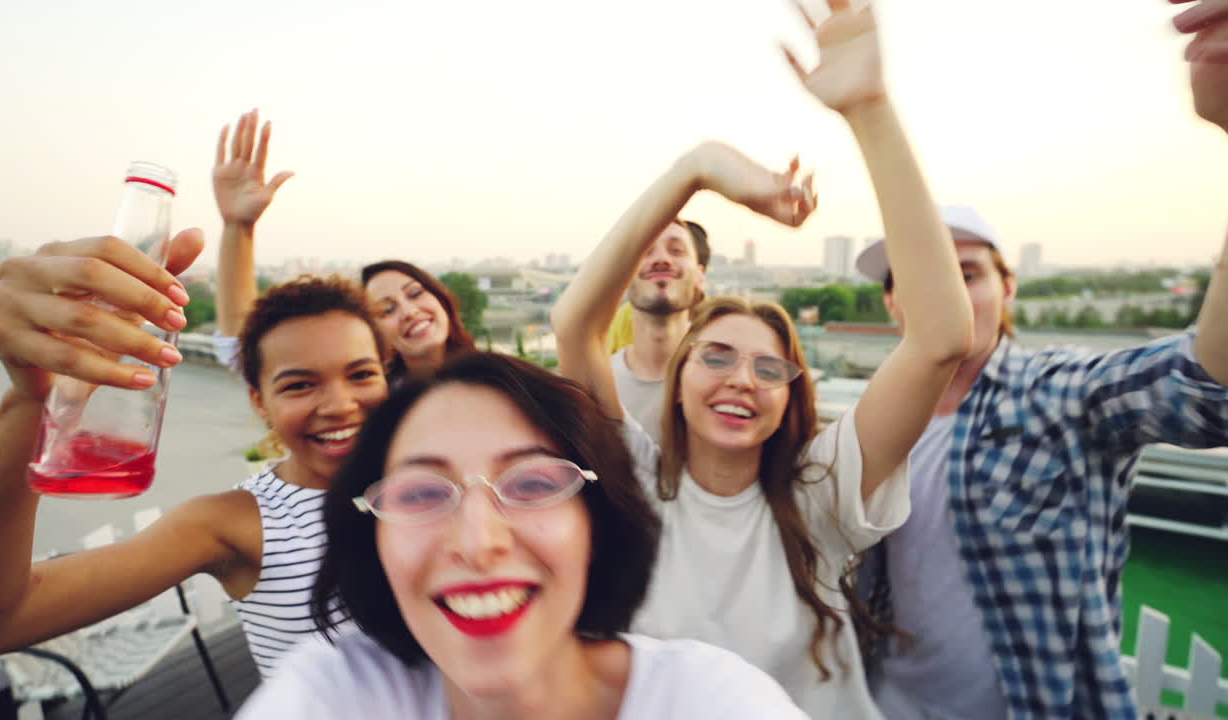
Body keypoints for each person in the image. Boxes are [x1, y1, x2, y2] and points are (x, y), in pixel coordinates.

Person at [550, 1, 973, 717]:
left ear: (790, 397)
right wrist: (696, 168)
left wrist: (870, 109)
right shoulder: (636, 487)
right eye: (715, 357)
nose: (743, 378)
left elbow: (941, 339)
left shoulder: (823, 495)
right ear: (678, 382)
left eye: (769, 367)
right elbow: (574, 325)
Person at [855, 4, 1228, 716]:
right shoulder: (869, 424)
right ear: (894, 304)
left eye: (967, 273)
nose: (945, 294)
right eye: (919, 276)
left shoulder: (1052, 394)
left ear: (1008, 286)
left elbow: (1205, 392)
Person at [236, 352, 810, 719]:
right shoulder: (337, 692)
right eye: (420, 493)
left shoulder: (708, 702)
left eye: (533, 484)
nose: (479, 541)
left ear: (597, 524)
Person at [0, 229, 391, 678]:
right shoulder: (239, 522)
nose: (339, 405)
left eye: (361, 374)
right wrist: (31, 401)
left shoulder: (427, 474)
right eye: (299, 384)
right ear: (259, 400)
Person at [212, 110, 474, 387]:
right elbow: (250, 353)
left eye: (415, 293)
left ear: (442, 299)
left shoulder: (503, 381)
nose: (409, 312)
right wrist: (238, 227)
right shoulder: (373, 402)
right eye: (386, 310)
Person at [611, 218, 710, 439]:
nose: (662, 259)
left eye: (677, 250)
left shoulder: (724, 376)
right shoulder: (598, 384)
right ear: (623, 275)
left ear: (700, 276)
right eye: (645, 250)